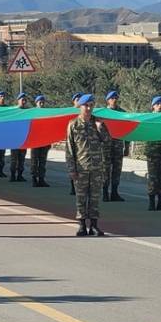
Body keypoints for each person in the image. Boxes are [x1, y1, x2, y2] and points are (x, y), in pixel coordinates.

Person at [66, 94, 111, 237]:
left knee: (95, 197)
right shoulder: (73, 124)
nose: (89, 108)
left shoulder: (98, 123)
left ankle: (94, 226)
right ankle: (81, 225)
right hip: (81, 168)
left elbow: (108, 141)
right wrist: (72, 169)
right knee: (81, 197)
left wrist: (101, 128)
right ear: (80, 106)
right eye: (86, 105)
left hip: (97, 168)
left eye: (91, 105)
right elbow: (69, 149)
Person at [103, 91, 129, 202]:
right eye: (112, 98)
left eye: (116, 98)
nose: (114, 100)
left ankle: (114, 192)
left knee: (117, 170)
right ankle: (104, 193)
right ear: (107, 100)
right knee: (105, 170)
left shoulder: (122, 113)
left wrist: (126, 146)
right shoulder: (103, 113)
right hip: (105, 146)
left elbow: (128, 130)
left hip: (118, 146)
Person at [30, 94, 51, 187]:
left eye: (43, 102)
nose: (42, 104)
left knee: (43, 162)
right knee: (34, 161)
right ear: (36, 103)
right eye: (40, 102)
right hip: (35, 141)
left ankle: (41, 179)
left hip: (44, 141)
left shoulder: (47, 114)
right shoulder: (32, 113)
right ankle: (34, 179)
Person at [9, 92, 29, 182]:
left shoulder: (28, 111)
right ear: (18, 101)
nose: (24, 101)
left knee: (22, 158)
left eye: (25, 100)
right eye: (22, 100)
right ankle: (13, 175)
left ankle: (20, 175)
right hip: (14, 139)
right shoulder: (13, 111)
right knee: (14, 158)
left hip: (23, 138)